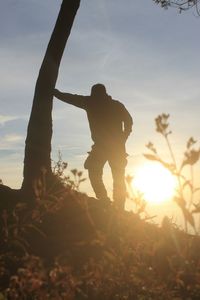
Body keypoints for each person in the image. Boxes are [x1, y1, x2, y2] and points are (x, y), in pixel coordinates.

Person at [54, 84, 133, 209]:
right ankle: (111, 203)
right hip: (113, 147)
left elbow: (72, 98)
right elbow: (129, 121)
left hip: (107, 147)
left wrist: (56, 93)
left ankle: (109, 202)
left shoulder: (91, 102)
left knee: (109, 175)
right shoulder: (114, 105)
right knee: (111, 175)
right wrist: (123, 138)